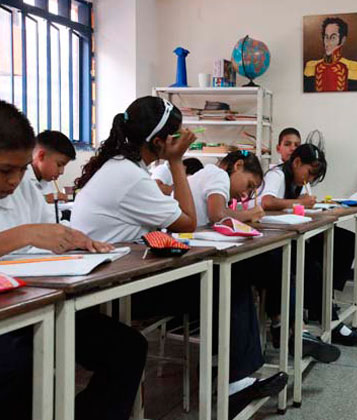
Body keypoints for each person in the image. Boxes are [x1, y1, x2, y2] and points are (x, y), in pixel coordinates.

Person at [70, 96, 286, 419]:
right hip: (109, 291)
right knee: (229, 281)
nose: (183, 139)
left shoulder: (121, 166)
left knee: (225, 279)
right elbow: (185, 222)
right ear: (159, 141)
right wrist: (176, 162)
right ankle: (235, 382)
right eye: (177, 135)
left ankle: (232, 372)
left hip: (114, 277)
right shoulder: (130, 175)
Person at [0, 99, 146, 420]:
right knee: (20, 366)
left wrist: (75, 241)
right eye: (5, 170)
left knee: (128, 349)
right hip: (8, 321)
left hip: (39, 304)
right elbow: (30, 234)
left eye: (22, 169)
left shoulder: (24, 187)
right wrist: (22, 235)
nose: (14, 180)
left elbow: (47, 233)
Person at [261, 144, 357, 346]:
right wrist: (295, 202)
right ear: (297, 162)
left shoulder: (296, 179)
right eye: (309, 173)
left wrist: (300, 201)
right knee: (311, 266)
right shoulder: (277, 175)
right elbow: (266, 202)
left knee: (342, 242)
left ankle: (324, 304)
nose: (308, 180)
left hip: (287, 234)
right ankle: (326, 318)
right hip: (270, 239)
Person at [188, 150, 264, 226]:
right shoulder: (219, 174)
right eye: (249, 185)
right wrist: (249, 214)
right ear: (238, 165)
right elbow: (218, 216)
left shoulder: (211, 174)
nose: (245, 195)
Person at [304, 17, 357, 92]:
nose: (327, 43)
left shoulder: (352, 66)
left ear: (342, 40)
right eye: (326, 37)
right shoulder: (311, 66)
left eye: (333, 38)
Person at [28, 129, 76, 203]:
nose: (61, 172)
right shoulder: (21, 179)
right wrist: (45, 199)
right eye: (59, 165)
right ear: (41, 155)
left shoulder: (46, 179)